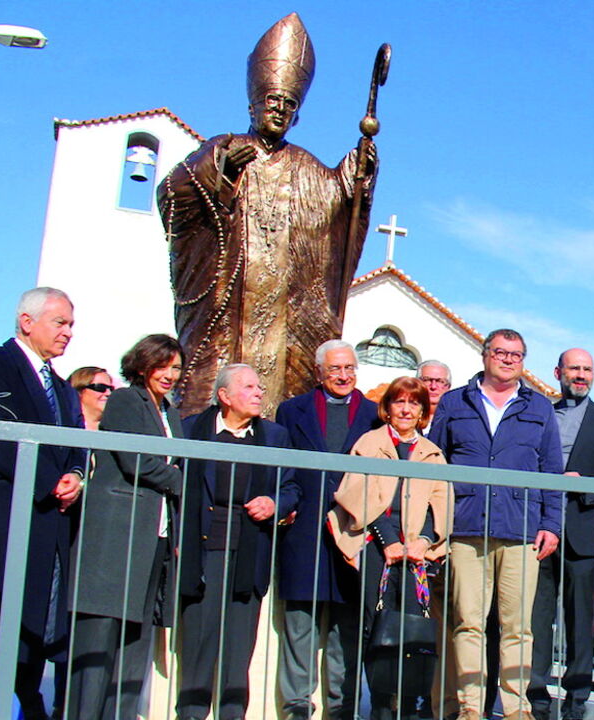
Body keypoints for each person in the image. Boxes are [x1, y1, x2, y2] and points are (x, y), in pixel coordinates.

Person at [159, 12, 380, 416]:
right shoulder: (223, 148)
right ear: (253, 105)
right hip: (229, 314)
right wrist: (219, 168)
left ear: (297, 116)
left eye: (288, 105)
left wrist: (356, 176)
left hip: (285, 322)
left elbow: (337, 209)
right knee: (210, 411)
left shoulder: (305, 166)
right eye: (272, 101)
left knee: (280, 417)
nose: (279, 110)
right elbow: (174, 196)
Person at [0, 287, 86, 720]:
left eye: (71, 324)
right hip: (7, 518)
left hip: (52, 524)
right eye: (60, 322)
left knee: (36, 627)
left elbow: (77, 443)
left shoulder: (63, 387)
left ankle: (25, 707)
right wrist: (51, 480)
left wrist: (76, 476)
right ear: (27, 321)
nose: (68, 332)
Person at [428, 329, 565, 720]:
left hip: (522, 529)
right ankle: (471, 709)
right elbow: (434, 464)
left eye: (516, 355)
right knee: (467, 623)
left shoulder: (539, 408)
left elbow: (551, 471)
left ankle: (515, 710)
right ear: (485, 354)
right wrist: (436, 524)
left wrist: (551, 524)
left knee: (518, 627)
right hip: (466, 527)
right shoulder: (455, 403)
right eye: (501, 353)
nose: (508, 360)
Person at [67, 335, 184, 720]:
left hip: (154, 537)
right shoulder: (124, 400)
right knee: (99, 634)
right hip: (117, 532)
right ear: (142, 364)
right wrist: (185, 483)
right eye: (163, 365)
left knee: (136, 639)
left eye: (177, 368)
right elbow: (138, 462)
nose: (170, 375)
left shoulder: (170, 411)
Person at [328, 376, 452, 720]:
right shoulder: (368, 443)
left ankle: (411, 706)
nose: (407, 409)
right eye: (400, 402)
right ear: (388, 407)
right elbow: (359, 493)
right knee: (377, 627)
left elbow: (440, 503)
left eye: (414, 403)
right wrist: (389, 540)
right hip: (376, 549)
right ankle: (381, 706)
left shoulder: (432, 453)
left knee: (413, 631)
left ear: (423, 411)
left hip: (416, 555)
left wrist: (424, 541)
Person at [176, 364, 290, 720]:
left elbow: (291, 487)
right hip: (201, 553)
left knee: (238, 653)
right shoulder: (190, 430)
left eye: (260, 386)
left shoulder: (274, 436)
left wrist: (275, 502)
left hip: (248, 554)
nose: (259, 392)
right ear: (224, 396)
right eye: (249, 387)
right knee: (197, 648)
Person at [273, 339, 379, 720]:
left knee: (346, 629)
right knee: (299, 626)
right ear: (319, 372)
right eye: (335, 369)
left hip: (353, 534)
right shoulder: (291, 410)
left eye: (350, 368)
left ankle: (342, 708)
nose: (344, 375)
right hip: (303, 532)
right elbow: (281, 468)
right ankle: (296, 706)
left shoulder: (373, 414)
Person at [529, 348, 594, 720]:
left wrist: (583, 485)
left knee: (580, 620)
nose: (581, 375)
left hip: (583, 532)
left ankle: (576, 700)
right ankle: (535, 697)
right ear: (558, 371)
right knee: (534, 620)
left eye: (588, 369)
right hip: (537, 530)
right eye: (574, 368)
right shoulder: (539, 415)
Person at [68, 366, 114, 431]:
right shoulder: (65, 425)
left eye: (111, 389)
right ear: (79, 390)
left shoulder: (118, 429)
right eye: (100, 387)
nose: (109, 393)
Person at [416, 359, 452, 432]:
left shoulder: (456, 419)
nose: (433, 387)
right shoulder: (404, 416)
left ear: (448, 386)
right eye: (426, 380)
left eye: (440, 381)